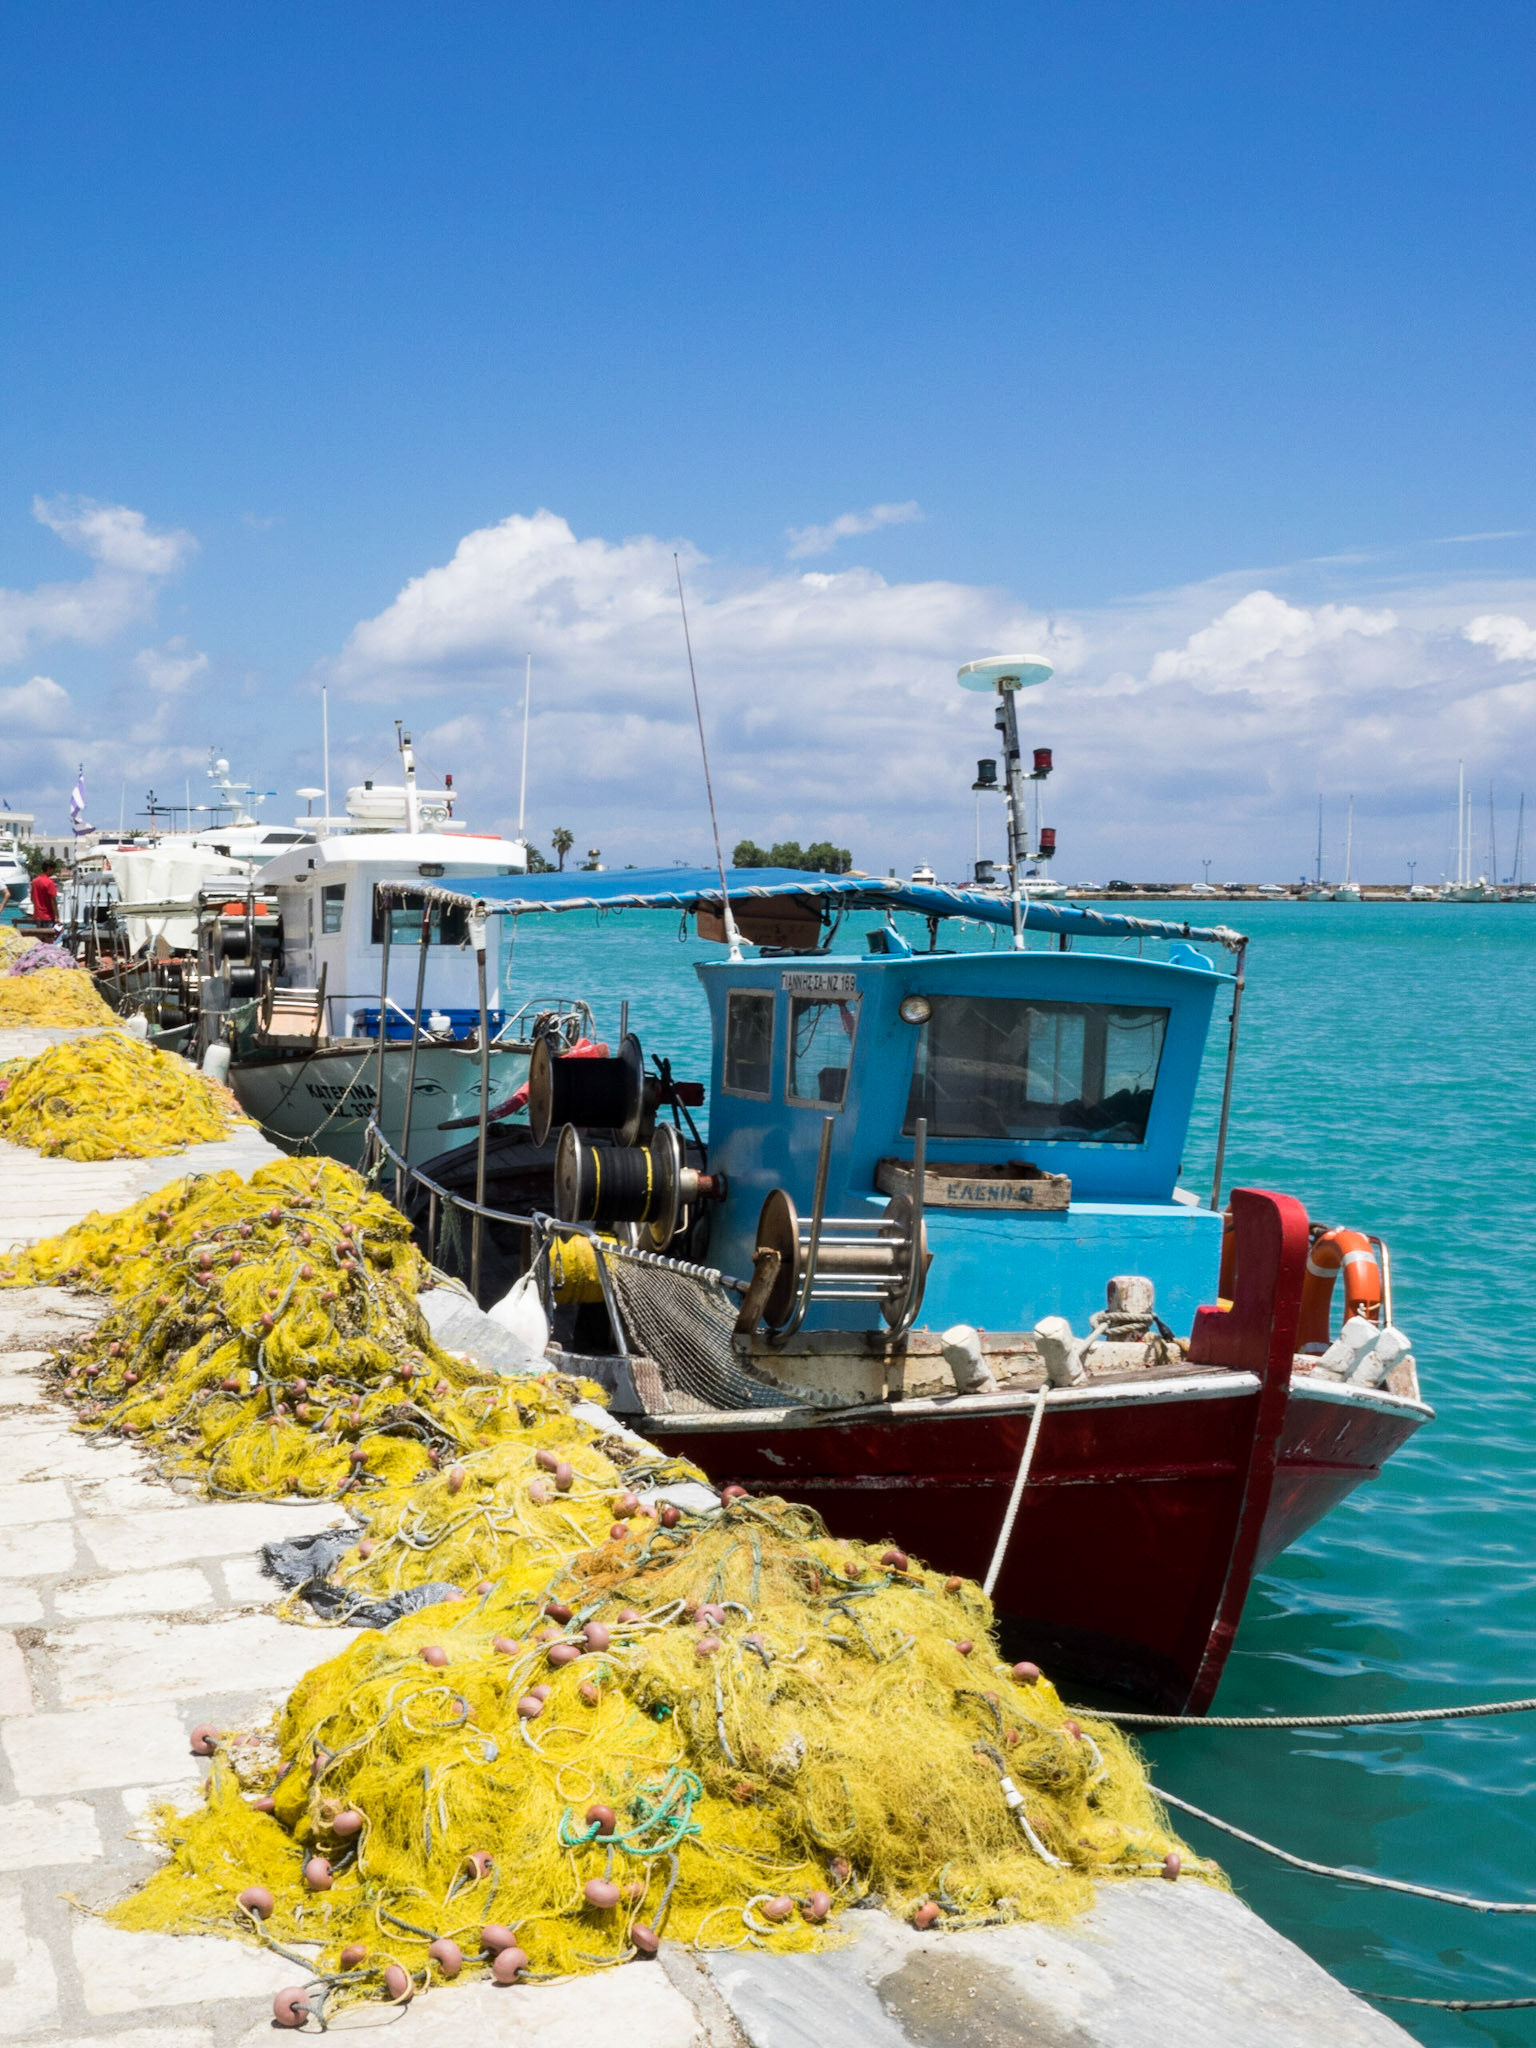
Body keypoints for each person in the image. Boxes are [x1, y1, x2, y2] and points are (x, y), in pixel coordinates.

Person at [29, 861, 59, 930]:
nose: (54, 872)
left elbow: (32, 899)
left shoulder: (34, 881)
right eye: (53, 869)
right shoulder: (49, 882)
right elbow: (53, 901)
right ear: (49, 868)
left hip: (37, 916)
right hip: (48, 916)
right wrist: (57, 916)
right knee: (49, 939)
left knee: (39, 939)